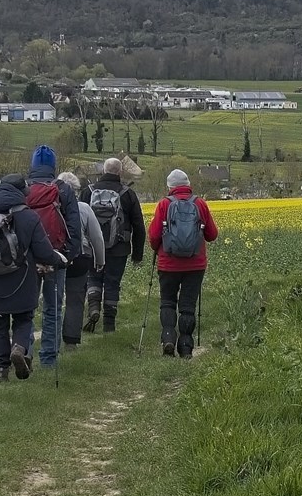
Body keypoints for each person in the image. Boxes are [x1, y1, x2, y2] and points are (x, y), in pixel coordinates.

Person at [0, 170, 64, 381]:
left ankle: (0, 371)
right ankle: (19, 348)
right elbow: (43, 252)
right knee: (23, 319)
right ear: (21, 192)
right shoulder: (28, 216)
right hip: (22, 280)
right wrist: (59, 260)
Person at [18, 145, 104, 368]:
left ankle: (24, 350)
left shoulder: (23, 188)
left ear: (33, 165)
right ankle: (48, 358)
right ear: (53, 166)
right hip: (56, 258)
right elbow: (74, 229)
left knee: (26, 308)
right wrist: (67, 255)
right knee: (52, 309)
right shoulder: (63, 190)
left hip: (27, 259)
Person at [147, 166, 218, 359]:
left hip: (168, 264)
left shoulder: (164, 204)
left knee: (168, 302)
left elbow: (153, 236)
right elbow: (212, 235)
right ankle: (186, 347)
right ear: (188, 185)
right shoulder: (200, 204)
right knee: (188, 305)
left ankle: (168, 337)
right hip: (195, 265)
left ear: (169, 187)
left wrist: (157, 247)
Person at [83, 155, 143, 334]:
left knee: (93, 279)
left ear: (103, 170)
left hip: (92, 247)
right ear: (121, 172)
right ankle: (109, 324)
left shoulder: (88, 191)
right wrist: (137, 255)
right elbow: (138, 226)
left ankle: (93, 308)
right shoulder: (127, 194)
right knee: (112, 283)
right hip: (119, 248)